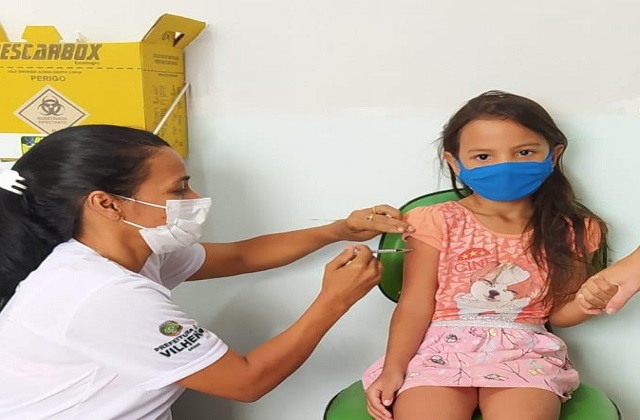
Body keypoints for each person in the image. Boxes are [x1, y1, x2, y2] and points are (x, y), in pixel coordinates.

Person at [0, 124, 413, 420]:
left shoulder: (138, 254)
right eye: (178, 189)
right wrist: (335, 300)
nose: (195, 198)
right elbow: (246, 382)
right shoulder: (101, 292)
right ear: (107, 204)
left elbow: (241, 256)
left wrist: (338, 230)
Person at [362, 91, 608, 420]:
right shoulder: (435, 220)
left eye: (524, 152)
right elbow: (415, 303)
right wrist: (393, 368)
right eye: (483, 156)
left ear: (554, 154)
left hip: (525, 353)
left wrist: (593, 299)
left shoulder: (574, 229)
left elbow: (560, 313)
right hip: (440, 349)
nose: (504, 165)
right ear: (455, 162)